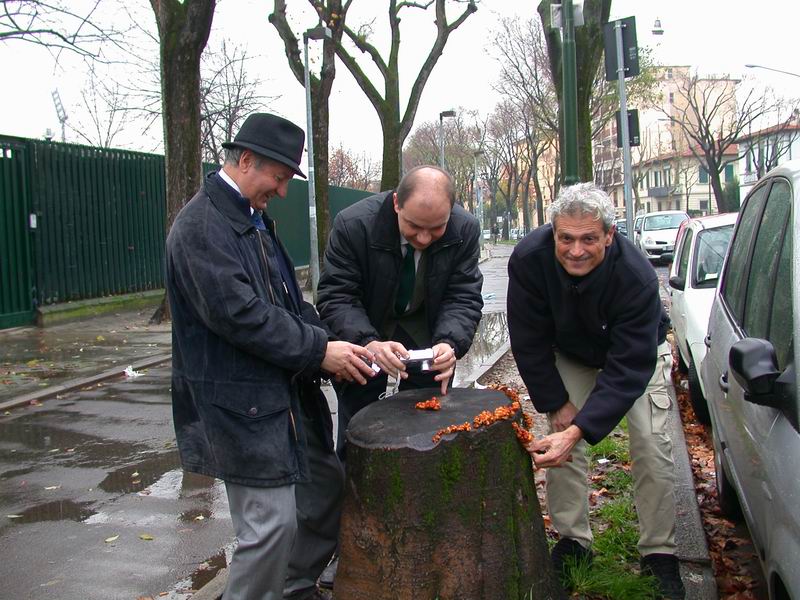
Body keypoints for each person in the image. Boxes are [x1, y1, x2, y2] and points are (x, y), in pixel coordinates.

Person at [165, 113, 376, 600]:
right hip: (242, 407)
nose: (282, 191)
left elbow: (288, 303)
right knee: (269, 528)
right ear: (244, 161)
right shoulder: (200, 226)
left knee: (324, 490)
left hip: (282, 399)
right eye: (279, 178)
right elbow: (242, 317)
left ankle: (293, 589)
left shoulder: (252, 220)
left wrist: (344, 343)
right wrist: (321, 351)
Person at [507, 182, 685, 599]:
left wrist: (583, 427)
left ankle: (660, 553)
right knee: (560, 443)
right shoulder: (529, 261)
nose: (576, 250)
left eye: (589, 238)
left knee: (652, 444)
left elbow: (627, 370)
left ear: (610, 234)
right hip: (570, 351)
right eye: (565, 238)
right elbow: (528, 340)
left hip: (635, 352)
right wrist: (557, 405)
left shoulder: (636, 277)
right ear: (553, 233)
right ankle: (573, 542)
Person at [317, 165, 484, 457]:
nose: (423, 238)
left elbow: (463, 295)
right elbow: (337, 296)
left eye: (436, 228)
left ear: (451, 211)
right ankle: (355, 482)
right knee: (360, 418)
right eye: (414, 226)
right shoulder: (353, 225)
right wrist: (367, 342)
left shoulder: (464, 228)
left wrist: (449, 343)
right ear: (396, 203)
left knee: (429, 416)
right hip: (368, 324)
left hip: (424, 328)